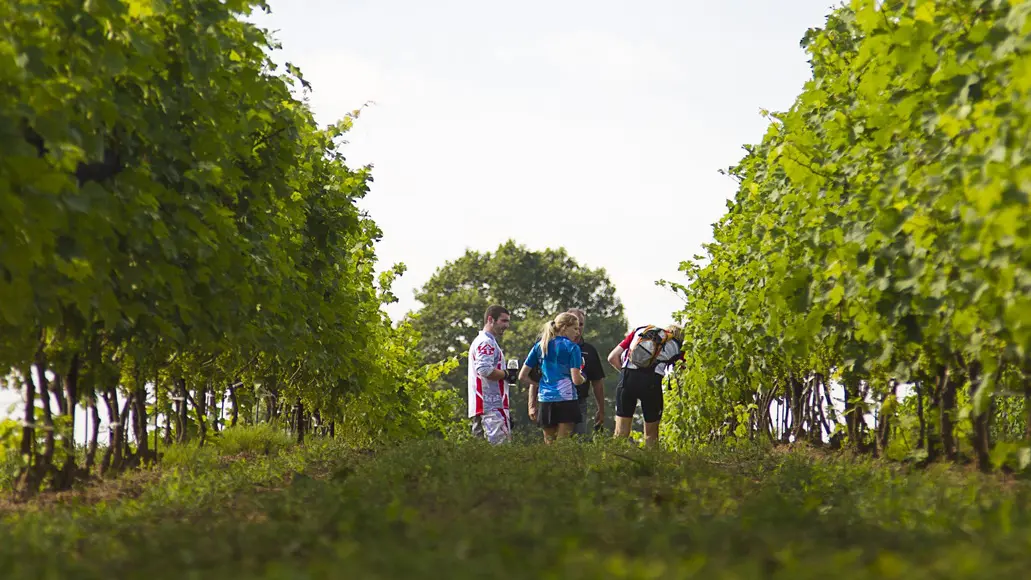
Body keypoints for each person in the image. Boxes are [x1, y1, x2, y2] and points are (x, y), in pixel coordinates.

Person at [606, 324, 684, 448]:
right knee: (651, 436)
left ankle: (613, 464)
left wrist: (626, 374)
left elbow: (612, 358)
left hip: (628, 379)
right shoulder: (678, 345)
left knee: (620, 434)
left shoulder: (641, 330)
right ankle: (650, 465)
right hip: (651, 384)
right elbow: (685, 369)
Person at [519, 312, 586, 443]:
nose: (578, 332)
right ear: (564, 328)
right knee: (562, 445)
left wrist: (541, 384)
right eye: (575, 328)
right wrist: (583, 377)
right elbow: (576, 380)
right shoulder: (572, 347)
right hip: (566, 399)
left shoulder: (540, 345)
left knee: (549, 445)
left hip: (545, 400)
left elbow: (522, 376)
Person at [468, 305, 516, 444]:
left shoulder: (482, 340)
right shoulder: (486, 342)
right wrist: (506, 374)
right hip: (491, 405)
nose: (507, 325)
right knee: (500, 453)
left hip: (482, 404)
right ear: (491, 319)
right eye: (503, 321)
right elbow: (484, 370)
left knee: (482, 456)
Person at [565, 308, 606, 437]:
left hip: (579, 401)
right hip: (555, 399)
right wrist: (532, 404)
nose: (578, 328)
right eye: (574, 324)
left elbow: (597, 382)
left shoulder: (589, 350)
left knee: (578, 440)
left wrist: (601, 409)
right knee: (556, 442)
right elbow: (539, 375)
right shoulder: (551, 345)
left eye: (581, 324)